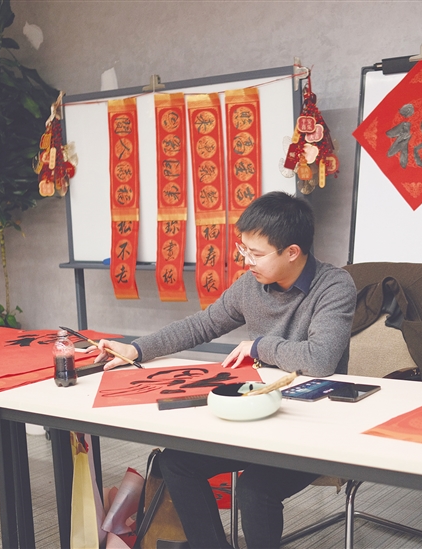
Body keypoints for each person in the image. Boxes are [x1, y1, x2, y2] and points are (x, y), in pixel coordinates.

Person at [95, 191, 356, 548]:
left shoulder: (334, 286)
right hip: (258, 415)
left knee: (255, 489)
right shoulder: (251, 285)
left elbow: (320, 359)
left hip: (311, 425)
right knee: (176, 463)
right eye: (243, 249)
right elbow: (201, 325)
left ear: (292, 252)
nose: (247, 260)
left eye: (256, 253)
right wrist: (137, 348)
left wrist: (259, 346)